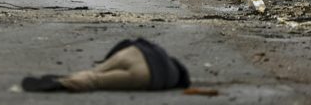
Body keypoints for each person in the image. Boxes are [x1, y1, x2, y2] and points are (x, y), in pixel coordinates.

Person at [22, 38, 190, 92]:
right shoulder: (172, 79)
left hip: (134, 52)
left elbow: (127, 42)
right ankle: (64, 83)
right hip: (146, 75)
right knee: (97, 81)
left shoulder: (162, 52)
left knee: (96, 71)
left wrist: (106, 60)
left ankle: (79, 74)